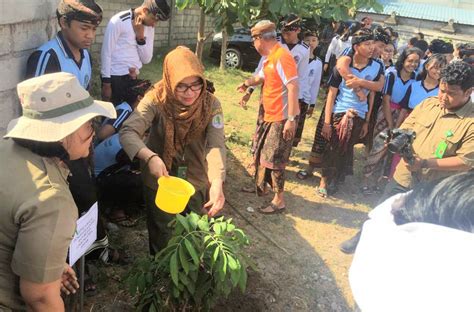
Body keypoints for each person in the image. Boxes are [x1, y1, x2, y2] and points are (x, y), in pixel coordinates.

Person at [0, 72, 115, 311]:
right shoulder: (53, 200)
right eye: (87, 125)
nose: (93, 132)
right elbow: (40, 297)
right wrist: (44, 282)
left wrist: (47, 263)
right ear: (62, 133)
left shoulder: (7, 148)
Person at [340, 60, 474, 254]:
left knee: (422, 228)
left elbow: (465, 161)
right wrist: (397, 138)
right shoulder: (429, 104)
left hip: (435, 188)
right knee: (382, 212)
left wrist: (425, 163)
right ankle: (360, 239)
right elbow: (407, 127)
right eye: (442, 90)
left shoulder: (471, 123)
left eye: (451, 93)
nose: (443, 97)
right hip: (404, 175)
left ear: (468, 92)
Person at [119, 46, 226, 253]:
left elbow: (216, 145)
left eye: (195, 85)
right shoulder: (156, 99)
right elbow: (128, 132)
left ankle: (190, 277)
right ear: (169, 80)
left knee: (196, 232)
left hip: (195, 179)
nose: (190, 93)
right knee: (163, 235)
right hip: (161, 181)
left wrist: (217, 181)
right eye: (181, 86)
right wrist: (150, 157)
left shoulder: (210, 105)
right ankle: (161, 279)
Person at [350, 171, 474, 312]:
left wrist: (426, 164)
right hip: (410, 181)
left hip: (436, 185)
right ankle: (357, 238)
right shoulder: (380, 266)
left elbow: (464, 159)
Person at [236, 20, 299, 214]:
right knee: (262, 152)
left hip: (281, 118)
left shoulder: (282, 57)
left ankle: (279, 200)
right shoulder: (270, 58)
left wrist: (291, 119)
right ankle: (262, 186)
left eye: (253, 40)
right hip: (268, 114)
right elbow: (261, 77)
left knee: (275, 159)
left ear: (260, 39)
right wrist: (247, 84)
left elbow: (293, 86)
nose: (253, 45)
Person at [317, 28, 384, 197]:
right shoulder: (343, 66)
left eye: (372, 44)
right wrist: (327, 122)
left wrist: (368, 121)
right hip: (340, 111)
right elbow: (331, 94)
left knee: (347, 149)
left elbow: (376, 91)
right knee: (333, 147)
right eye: (367, 44)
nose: (371, 48)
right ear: (356, 46)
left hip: (360, 114)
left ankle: (337, 179)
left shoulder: (377, 67)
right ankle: (324, 181)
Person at [361, 47, 422, 194]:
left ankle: (377, 181)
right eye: (410, 61)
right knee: (378, 147)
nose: (413, 64)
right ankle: (365, 180)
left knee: (391, 151)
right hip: (386, 113)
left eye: (416, 62)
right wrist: (390, 124)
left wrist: (399, 125)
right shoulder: (391, 74)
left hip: (403, 116)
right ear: (403, 60)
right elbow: (386, 99)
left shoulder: (416, 78)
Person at [95, 79, 151, 227]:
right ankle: (115, 211)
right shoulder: (127, 113)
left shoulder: (129, 126)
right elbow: (102, 134)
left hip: (104, 167)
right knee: (140, 178)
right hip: (98, 179)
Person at [101, 0, 170, 104]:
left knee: (130, 116)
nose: (154, 24)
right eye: (154, 19)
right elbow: (106, 53)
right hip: (114, 78)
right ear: (145, 11)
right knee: (112, 116)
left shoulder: (149, 27)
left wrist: (140, 38)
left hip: (133, 78)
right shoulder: (118, 21)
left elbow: (146, 59)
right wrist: (106, 85)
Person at [25, 0, 103, 89]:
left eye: (94, 29)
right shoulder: (48, 57)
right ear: (64, 23)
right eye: (84, 28)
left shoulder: (86, 55)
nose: (90, 36)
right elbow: (35, 100)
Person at [277, 14, 311, 147]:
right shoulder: (276, 43)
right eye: (284, 31)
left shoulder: (304, 49)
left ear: (298, 30)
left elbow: (302, 76)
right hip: (273, 91)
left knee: (286, 128)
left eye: (289, 31)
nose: (286, 34)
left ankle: (280, 160)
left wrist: (301, 97)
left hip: (290, 93)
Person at [398, 54, 448, 123]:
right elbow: (403, 110)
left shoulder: (443, 91)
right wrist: (397, 127)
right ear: (427, 66)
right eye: (436, 68)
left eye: (442, 69)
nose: (439, 71)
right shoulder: (414, 86)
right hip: (408, 124)